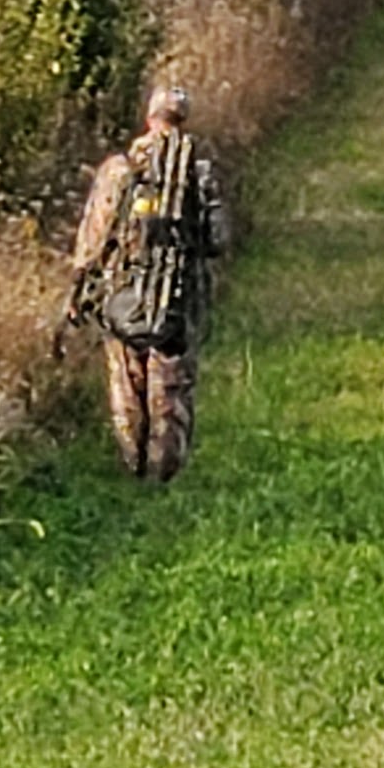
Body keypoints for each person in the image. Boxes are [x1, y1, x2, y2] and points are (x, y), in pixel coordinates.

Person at [65, 82, 227, 482]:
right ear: (184, 120)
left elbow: (93, 239)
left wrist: (79, 288)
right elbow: (217, 240)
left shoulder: (119, 170)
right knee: (171, 384)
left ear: (149, 118)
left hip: (122, 293)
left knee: (125, 378)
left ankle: (132, 461)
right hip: (177, 296)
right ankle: (164, 469)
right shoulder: (199, 172)